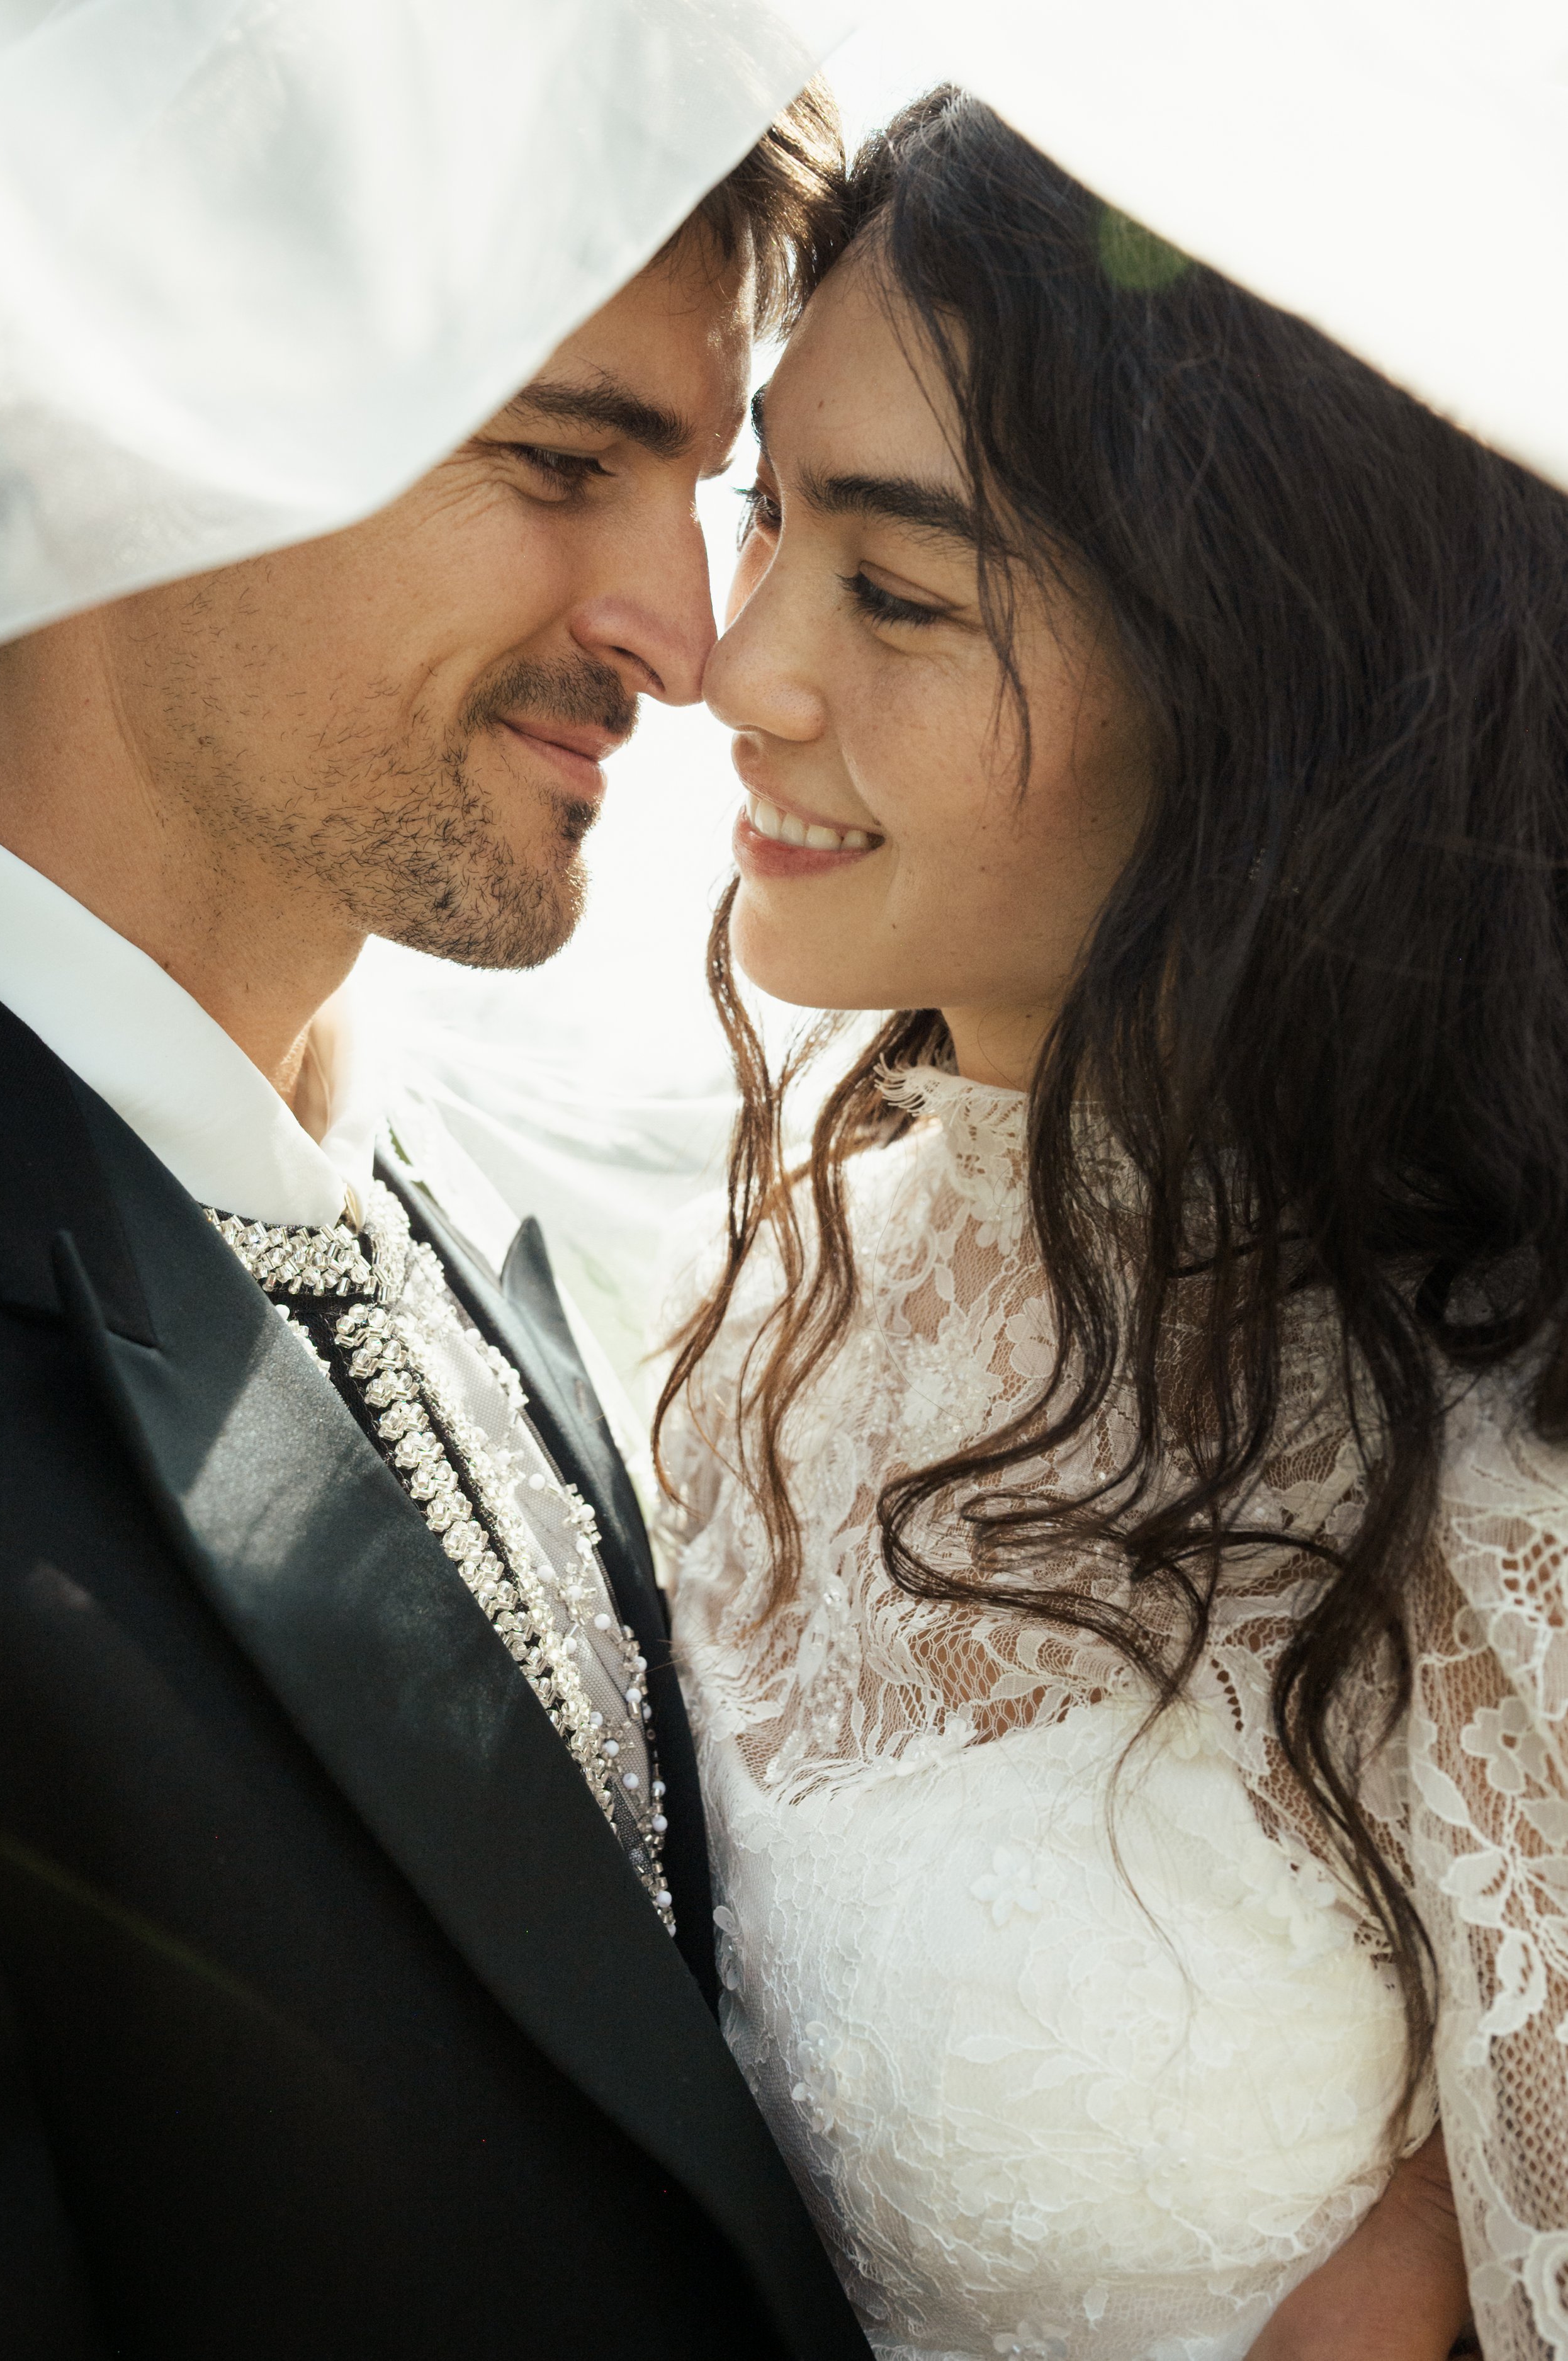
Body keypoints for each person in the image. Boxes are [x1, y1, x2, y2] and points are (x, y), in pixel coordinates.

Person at [655, 89, 1568, 2361]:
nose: (736, 671)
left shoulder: (1494, 1440)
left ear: (1253, 683)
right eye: (764, 514)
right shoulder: (745, 1301)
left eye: (895, 590)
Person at [0, 88, 876, 2361]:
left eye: (704, 493)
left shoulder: (476, 1219)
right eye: (562, 458)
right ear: (128, 405)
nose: (687, 639)